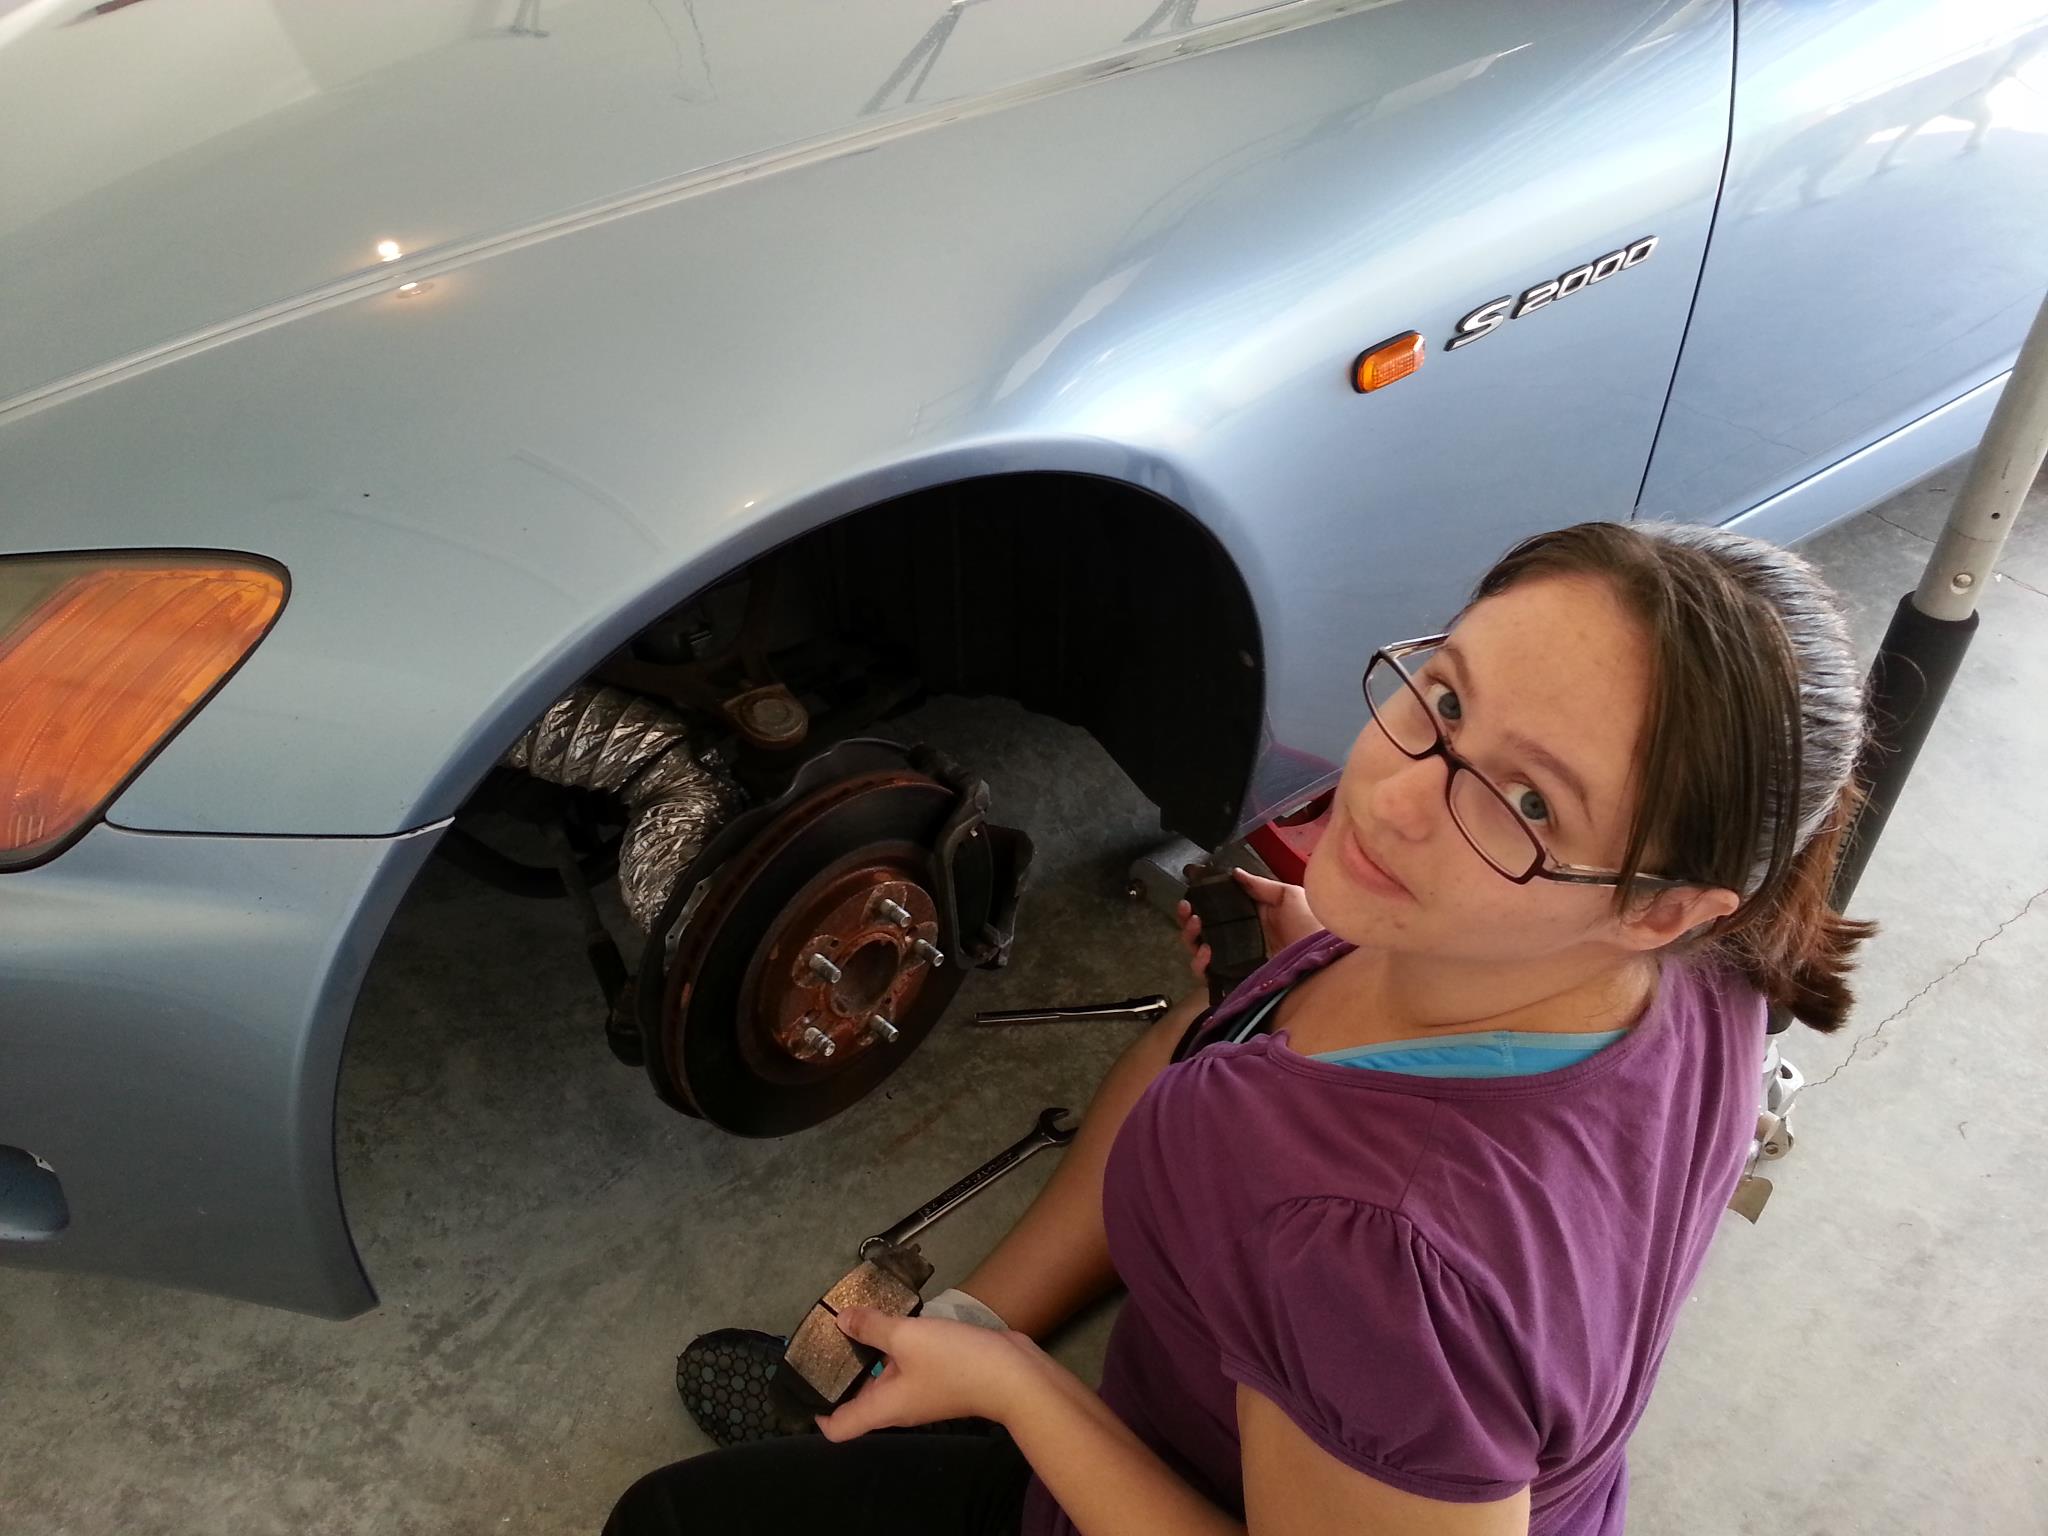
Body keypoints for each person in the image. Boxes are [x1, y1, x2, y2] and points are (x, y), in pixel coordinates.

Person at [606, 520, 1873, 1536]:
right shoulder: (1712, 969)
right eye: (1444, 696)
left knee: (668, 1523)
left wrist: (1023, 1399)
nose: (1395, 794)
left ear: (1661, 909)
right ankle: (963, 1346)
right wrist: (1290, 985)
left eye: (1530, 802)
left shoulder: (1366, 1253)